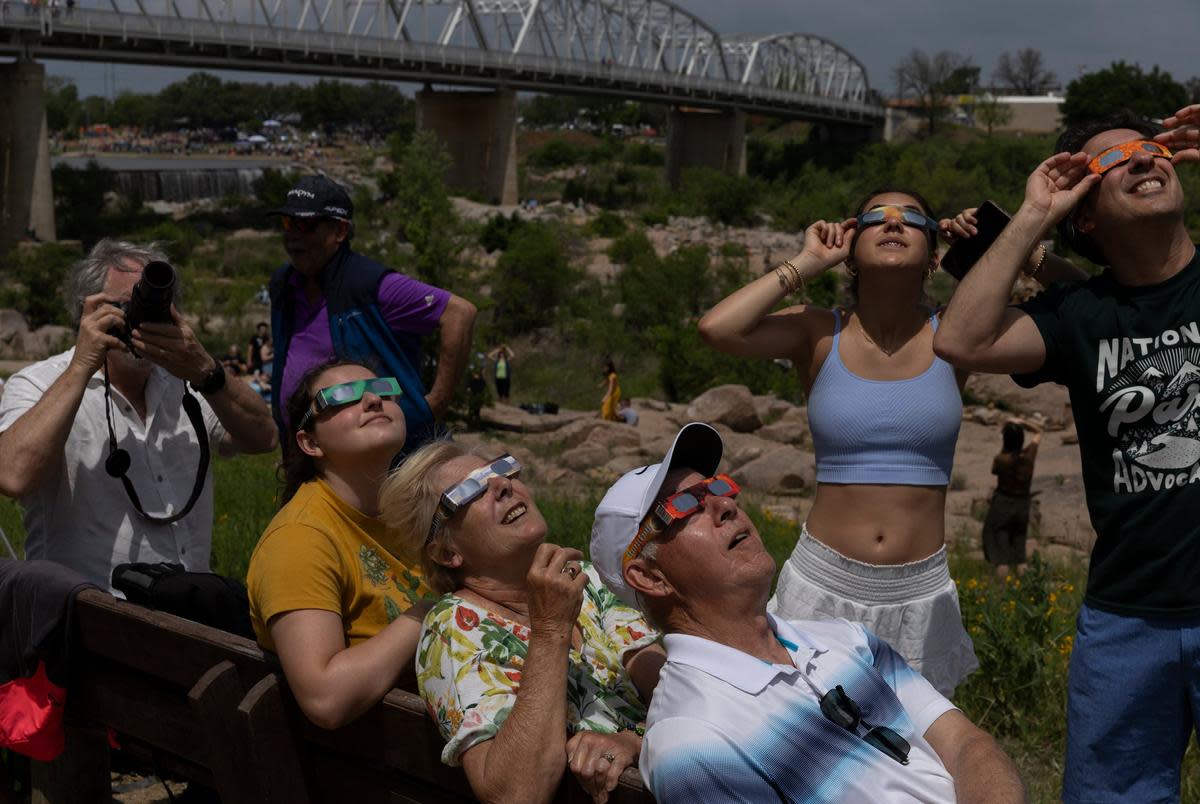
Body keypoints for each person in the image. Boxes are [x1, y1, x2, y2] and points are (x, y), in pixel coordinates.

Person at [698, 190, 1085, 696]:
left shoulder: (959, 333)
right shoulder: (818, 331)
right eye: (877, 217)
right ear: (852, 243)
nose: (894, 224)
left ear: (934, 255)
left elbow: (1083, 303)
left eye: (912, 219)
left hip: (921, 594)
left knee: (917, 762)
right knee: (810, 753)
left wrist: (1012, 242)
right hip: (821, 584)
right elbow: (716, 328)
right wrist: (808, 262)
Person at [933, 106, 1200, 802]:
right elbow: (961, 341)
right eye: (1115, 161)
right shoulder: (1080, 314)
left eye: (1151, 149)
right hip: (1126, 618)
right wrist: (1031, 216)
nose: (1144, 160)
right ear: (1084, 214)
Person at [590, 422, 1026, 804]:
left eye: (716, 487)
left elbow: (969, 745)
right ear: (650, 578)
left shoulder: (847, 638)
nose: (725, 505)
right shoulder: (694, 739)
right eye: (684, 506)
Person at [379, 440, 665, 804]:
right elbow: (515, 794)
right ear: (446, 551)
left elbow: (672, 697)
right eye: (468, 491)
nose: (502, 485)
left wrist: (634, 743)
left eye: (500, 470)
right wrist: (550, 630)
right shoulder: (455, 627)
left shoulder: (586, 579)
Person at [0, 240, 277, 593]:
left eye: (155, 307)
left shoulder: (189, 381)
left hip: (188, 614)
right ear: (87, 311)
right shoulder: (41, 383)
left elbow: (264, 438)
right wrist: (83, 365)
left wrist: (207, 369)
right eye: (127, 307)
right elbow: (12, 476)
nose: (140, 321)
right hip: (85, 617)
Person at [246, 359, 431, 730]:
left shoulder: (418, 515)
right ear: (310, 442)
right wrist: (431, 613)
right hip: (387, 765)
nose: (373, 401)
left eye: (382, 390)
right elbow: (325, 697)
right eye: (342, 397)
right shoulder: (300, 540)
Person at [267, 174, 477, 449]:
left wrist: (436, 402)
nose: (293, 235)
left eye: (306, 224)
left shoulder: (369, 283)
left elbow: (460, 313)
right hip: (310, 449)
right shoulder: (284, 284)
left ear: (340, 232)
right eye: (287, 222)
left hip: (384, 453)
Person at [982, 419, 1041, 579]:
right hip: (1022, 505)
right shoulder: (1028, 457)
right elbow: (1038, 433)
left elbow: (995, 471)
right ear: (1021, 439)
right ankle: (1028, 589)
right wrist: (1023, 422)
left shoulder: (1001, 459)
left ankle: (1001, 596)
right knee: (1020, 554)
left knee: (1002, 557)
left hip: (1002, 504)